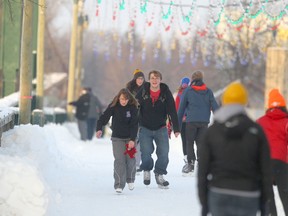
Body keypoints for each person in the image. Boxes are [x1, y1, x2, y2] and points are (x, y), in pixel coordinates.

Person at [198, 82, 272, 216]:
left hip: (219, 192)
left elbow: (203, 169)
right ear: (245, 101)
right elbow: (265, 170)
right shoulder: (256, 130)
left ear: (224, 100)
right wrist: (264, 203)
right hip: (248, 194)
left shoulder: (212, 132)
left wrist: (204, 201)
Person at [135, 70, 180, 189]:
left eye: (157, 78)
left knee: (164, 153)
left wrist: (176, 128)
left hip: (161, 128)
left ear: (160, 80)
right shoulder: (143, 91)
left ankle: (159, 174)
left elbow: (172, 111)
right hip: (145, 128)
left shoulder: (166, 93)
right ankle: (146, 170)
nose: (154, 80)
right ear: (149, 80)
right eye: (152, 78)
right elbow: (134, 105)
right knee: (145, 152)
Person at [95, 88, 139, 194]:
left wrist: (133, 140)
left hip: (130, 138)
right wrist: (99, 128)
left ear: (129, 99)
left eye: (126, 99)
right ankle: (119, 184)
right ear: (119, 98)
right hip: (117, 138)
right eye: (122, 99)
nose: (124, 101)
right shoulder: (114, 106)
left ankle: (130, 179)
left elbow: (134, 125)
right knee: (119, 160)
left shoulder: (133, 108)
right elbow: (103, 118)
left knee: (131, 159)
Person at [177, 70, 219, 175]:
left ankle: (190, 164)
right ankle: (202, 163)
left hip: (190, 121)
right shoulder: (208, 91)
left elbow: (181, 109)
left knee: (189, 142)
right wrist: (220, 121)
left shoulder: (188, 91)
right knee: (201, 143)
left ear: (192, 79)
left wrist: (177, 125)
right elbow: (215, 107)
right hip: (204, 121)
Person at [257, 88, 288, 216]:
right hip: (282, 162)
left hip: (265, 164)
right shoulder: (286, 122)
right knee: (285, 195)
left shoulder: (260, 122)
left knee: (268, 195)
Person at [126, 69, 145, 173]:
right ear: (135, 79)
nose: (140, 80)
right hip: (131, 117)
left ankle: (137, 164)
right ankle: (130, 162)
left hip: (142, 117)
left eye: (142, 78)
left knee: (139, 141)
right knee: (132, 140)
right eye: (138, 78)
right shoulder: (129, 88)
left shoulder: (147, 88)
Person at [174, 77, 190, 174]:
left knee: (186, 140)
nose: (184, 85)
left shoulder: (182, 93)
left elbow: (177, 108)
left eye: (186, 83)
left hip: (187, 120)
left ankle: (188, 158)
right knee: (187, 140)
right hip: (187, 120)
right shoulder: (180, 94)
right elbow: (177, 108)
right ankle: (188, 158)